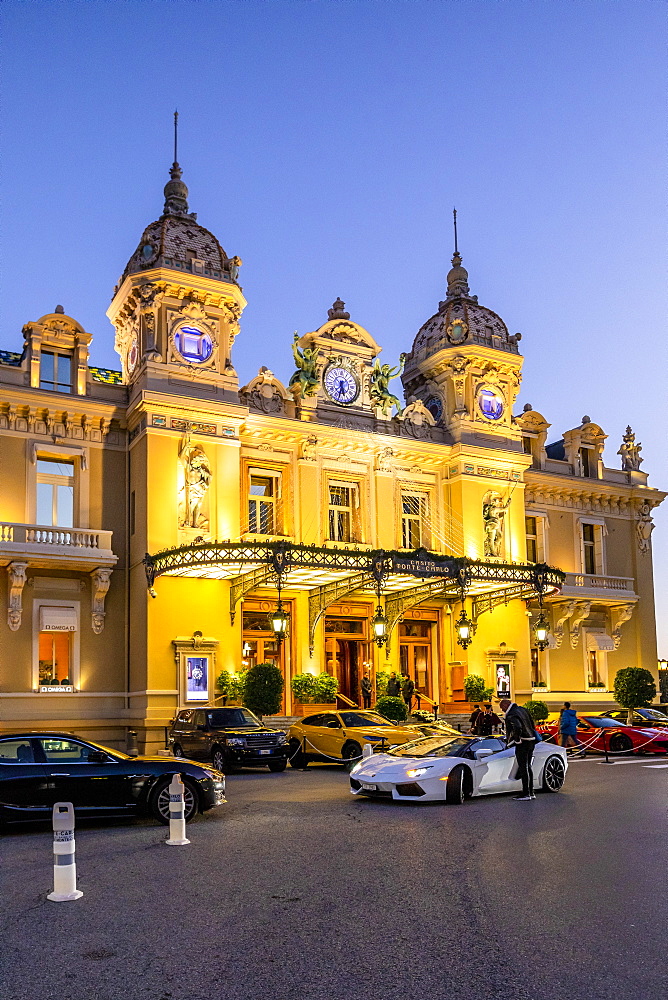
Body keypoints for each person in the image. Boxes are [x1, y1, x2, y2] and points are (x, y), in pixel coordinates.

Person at [499, 698, 538, 800]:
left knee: (523, 767)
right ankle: (531, 792)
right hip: (531, 741)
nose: (502, 711)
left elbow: (517, 726)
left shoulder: (511, 714)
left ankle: (526, 793)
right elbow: (532, 724)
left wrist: (517, 739)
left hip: (523, 743)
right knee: (528, 766)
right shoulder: (523, 710)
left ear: (505, 706)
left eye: (502, 708)